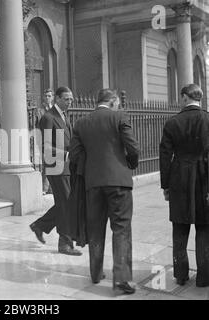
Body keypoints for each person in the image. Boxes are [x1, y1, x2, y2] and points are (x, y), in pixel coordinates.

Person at [69, 89, 139, 295]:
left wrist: (91, 167)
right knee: (121, 228)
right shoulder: (119, 117)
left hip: (93, 183)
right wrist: (129, 165)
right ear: (114, 101)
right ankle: (122, 279)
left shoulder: (81, 123)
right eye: (117, 103)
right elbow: (133, 148)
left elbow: (74, 155)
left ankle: (96, 273)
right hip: (119, 182)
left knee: (96, 228)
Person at [159, 84, 209, 288]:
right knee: (204, 228)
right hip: (204, 177)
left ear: (184, 98)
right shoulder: (208, 119)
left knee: (179, 227)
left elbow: (164, 156)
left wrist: (166, 185)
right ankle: (204, 276)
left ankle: (180, 275)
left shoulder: (172, 122)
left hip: (179, 176)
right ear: (199, 98)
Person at [30, 87, 82, 256]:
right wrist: (66, 154)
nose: (70, 102)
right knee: (67, 204)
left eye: (71, 99)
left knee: (65, 203)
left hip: (66, 167)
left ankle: (40, 225)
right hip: (56, 167)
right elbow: (44, 147)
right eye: (66, 99)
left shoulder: (64, 116)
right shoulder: (48, 117)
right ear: (58, 99)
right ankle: (64, 244)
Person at [37, 89, 54, 195]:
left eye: (49, 96)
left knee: (54, 164)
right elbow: (38, 125)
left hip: (56, 139)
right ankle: (44, 188)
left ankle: (52, 189)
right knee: (46, 164)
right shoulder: (40, 111)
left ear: (52, 97)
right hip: (44, 139)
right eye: (46, 96)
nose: (47, 98)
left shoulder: (55, 110)